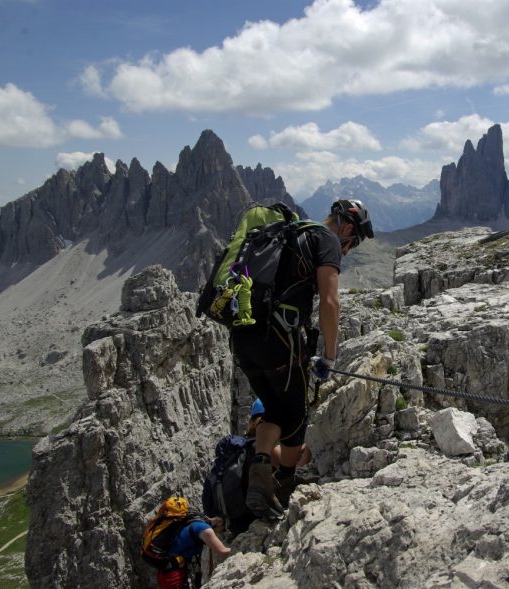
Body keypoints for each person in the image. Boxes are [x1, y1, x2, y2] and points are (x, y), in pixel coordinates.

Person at [231, 199, 373, 518]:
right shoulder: (325, 239)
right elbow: (329, 300)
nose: (347, 251)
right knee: (295, 426)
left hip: (243, 339)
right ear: (347, 227)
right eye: (352, 243)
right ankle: (281, 486)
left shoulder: (288, 235)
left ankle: (260, 476)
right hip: (279, 342)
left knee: (275, 413)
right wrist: (330, 356)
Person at [157, 516, 231, 589]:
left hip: (167, 571)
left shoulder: (197, 520)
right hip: (173, 575)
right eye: (223, 529)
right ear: (219, 522)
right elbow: (223, 552)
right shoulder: (204, 529)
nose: (221, 532)